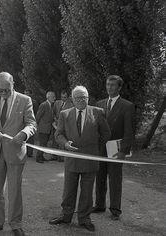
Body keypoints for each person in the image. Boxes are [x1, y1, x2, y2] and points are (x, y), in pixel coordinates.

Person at [0, 72, 36, 236]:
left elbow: (31, 123)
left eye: (6, 90)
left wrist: (24, 134)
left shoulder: (25, 100)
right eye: (0, 90)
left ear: (13, 84)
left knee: (15, 190)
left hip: (15, 151)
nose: (3, 93)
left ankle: (16, 224)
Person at [49, 86, 111, 232]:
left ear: (88, 98)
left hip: (90, 160)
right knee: (69, 190)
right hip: (72, 159)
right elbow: (58, 134)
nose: (81, 100)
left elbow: (106, 133)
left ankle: (84, 219)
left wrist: (95, 149)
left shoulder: (98, 112)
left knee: (87, 192)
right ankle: (66, 216)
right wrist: (65, 143)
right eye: (78, 97)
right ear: (73, 99)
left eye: (84, 97)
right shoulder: (65, 114)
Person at [92, 75, 135, 220]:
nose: (109, 87)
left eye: (113, 85)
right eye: (107, 84)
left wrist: (123, 150)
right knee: (100, 177)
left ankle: (115, 209)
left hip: (116, 149)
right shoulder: (99, 104)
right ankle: (99, 204)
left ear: (119, 87)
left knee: (115, 179)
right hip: (101, 148)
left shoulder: (127, 106)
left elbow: (129, 131)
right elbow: (95, 128)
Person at [35, 91, 56, 163]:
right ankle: (38, 158)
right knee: (42, 143)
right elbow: (38, 116)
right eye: (53, 97)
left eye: (54, 97)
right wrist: (35, 126)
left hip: (48, 128)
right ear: (48, 97)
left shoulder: (51, 105)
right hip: (43, 128)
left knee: (44, 143)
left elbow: (50, 117)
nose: (54, 98)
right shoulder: (44, 105)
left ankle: (41, 156)